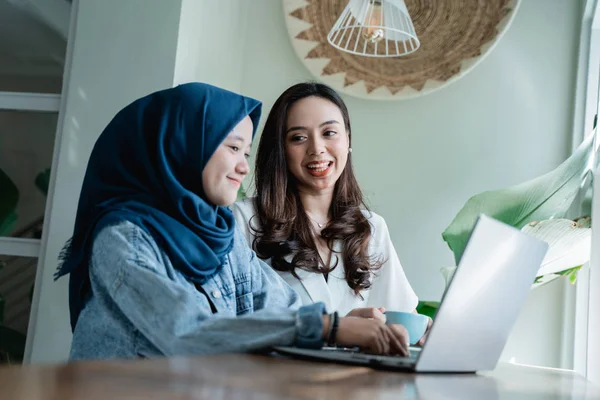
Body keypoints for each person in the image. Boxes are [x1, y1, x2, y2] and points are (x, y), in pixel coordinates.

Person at [53, 82, 411, 360]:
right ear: (185, 144)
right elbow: (187, 331)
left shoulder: (219, 235)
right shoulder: (123, 238)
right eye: (231, 147)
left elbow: (280, 306)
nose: (243, 166)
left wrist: (345, 324)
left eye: (246, 152)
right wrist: (331, 328)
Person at [233, 82, 430, 342]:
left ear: (348, 139)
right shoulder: (243, 219)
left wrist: (427, 329)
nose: (317, 148)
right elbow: (232, 324)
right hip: (276, 378)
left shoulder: (371, 227)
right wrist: (335, 330)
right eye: (298, 137)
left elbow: (402, 316)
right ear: (281, 150)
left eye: (329, 133)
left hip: (355, 380)